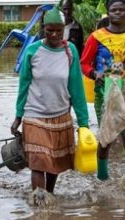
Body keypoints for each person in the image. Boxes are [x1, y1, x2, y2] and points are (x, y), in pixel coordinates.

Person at [11, 6, 89, 201]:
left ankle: (50, 196)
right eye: (49, 30)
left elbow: (77, 88)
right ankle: (39, 205)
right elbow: (23, 87)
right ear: (43, 28)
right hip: (35, 115)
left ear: (64, 28)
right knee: (38, 163)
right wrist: (18, 117)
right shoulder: (32, 51)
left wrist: (84, 123)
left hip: (60, 115)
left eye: (58, 30)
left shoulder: (69, 51)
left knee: (54, 162)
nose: (54, 34)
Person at [80, 0, 125, 181]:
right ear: (108, 12)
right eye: (114, 10)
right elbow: (83, 63)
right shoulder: (96, 37)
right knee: (106, 138)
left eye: (122, 9)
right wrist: (94, 74)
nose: (118, 13)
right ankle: (103, 177)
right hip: (104, 95)